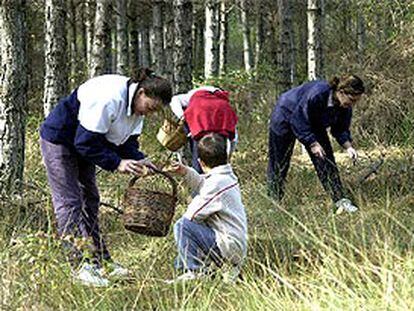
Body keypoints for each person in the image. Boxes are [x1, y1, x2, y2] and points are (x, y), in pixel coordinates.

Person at [39, 68, 172, 287]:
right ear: (141, 93)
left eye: (154, 111)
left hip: (87, 143)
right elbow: (84, 142)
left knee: (91, 199)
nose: (148, 113)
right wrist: (117, 163)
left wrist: (140, 160)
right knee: (70, 202)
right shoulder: (109, 98)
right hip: (60, 140)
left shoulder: (137, 109)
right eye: (149, 107)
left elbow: (127, 143)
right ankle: (79, 265)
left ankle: (102, 262)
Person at [267, 74, 365, 213]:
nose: (353, 104)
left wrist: (348, 147)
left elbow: (340, 128)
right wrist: (312, 143)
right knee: (279, 162)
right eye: (352, 99)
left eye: (356, 101)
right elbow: (298, 119)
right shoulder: (317, 94)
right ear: (341, 92)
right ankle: (274, 202)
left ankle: (340, 200)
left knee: (326, 160)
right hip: (286, 115)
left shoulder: (344, 106)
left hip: (314, 123)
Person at [166, 133, 248, 283]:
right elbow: (205, 184)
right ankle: (223, 268)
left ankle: (196, 272)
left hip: (228, 245)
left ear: (201, 162)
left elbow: (192, 215)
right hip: (235, 244)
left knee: (182, 226)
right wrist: (186, 172)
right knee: (186, 238)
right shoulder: (226, 177)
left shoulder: (216, 184)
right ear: (227, 157)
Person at [169, 86, 238, 173]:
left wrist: (183, 117)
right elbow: (234, 137)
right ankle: (221, 173)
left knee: (198, 152)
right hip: (221, 120)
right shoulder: (223, 101)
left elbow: (174, 100)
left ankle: (198, 173)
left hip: (198, 123)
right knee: (219, 155)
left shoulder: (191, 95)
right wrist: (228, 156)